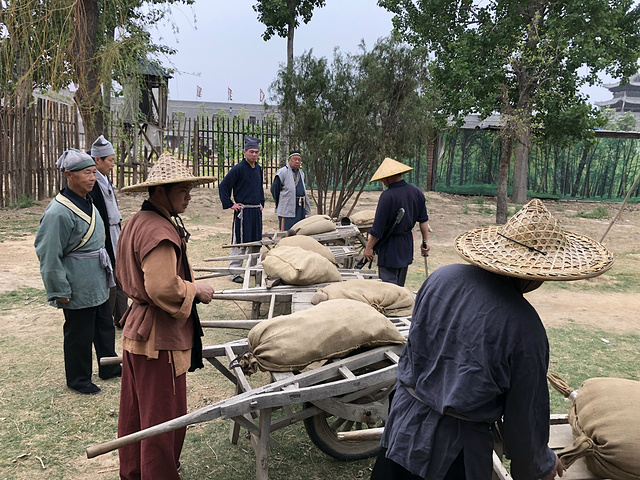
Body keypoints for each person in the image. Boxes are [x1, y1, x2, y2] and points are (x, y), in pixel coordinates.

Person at [370, 199, 615, 480]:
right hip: (453, 454)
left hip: (402, 426)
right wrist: (541, 466)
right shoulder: (525, 327)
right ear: (538, 275)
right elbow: (525, 420)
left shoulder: (441, 278)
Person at [116, 151, 216, 480]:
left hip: (138, 334)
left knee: (136, 415)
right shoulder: (158, 231)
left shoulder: (136, 222)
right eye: (181, 190)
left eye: (189, 189)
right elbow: (161, 287)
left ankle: (133, 473)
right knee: (161, 420)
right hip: (158, 342)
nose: (189, 195)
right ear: (160, 192)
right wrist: (194, 290)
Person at [34, 149, 121, 395]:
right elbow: (49, 253)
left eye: (94, 172)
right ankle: (78, 378)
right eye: (86, 173)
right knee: (79, 332)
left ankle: (109, 366)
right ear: (69, 175)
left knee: (104, 326)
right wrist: (58, 289)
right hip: (77, 281)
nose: (92, 178)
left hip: (97, 277)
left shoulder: (87, 200)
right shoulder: (58, 211)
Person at [364, 157, 430, 286]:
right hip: (406, 245)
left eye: (383, 178)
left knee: (388, 289)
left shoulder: (387, 196)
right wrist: (425, 242)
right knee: (399, 286)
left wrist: (369, 247)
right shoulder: (416, 192)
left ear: (388, 177)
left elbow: (378, 228)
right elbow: (423, 221)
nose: (382, 181)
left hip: (390, 246)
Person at [88, 135, 128, 328]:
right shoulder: (93, 181)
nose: (113, 164)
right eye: (110, 160)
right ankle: (107, 319)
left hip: (114, 231)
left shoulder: (103, 178)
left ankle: (123, 317)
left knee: (120, 273)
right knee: (110, 275)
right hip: (105, 234)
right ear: (98, 160)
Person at [218, 135, 265, 283]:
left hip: (256, 211)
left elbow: (259, 188)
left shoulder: (259, 169)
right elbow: (223, 186)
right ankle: (234, 272)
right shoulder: (238, 169)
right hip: (243, 213)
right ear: (244, 152)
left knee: (255, 242)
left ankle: (251, 269)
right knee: (239, 242)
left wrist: (261, 202)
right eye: (251, 152)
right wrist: (230, 204)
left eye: (256, 152)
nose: (254, 154)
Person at [270, 149, 311, 231]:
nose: (297, 162)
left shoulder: (301, 173)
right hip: (287, 206)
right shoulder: (282, 172)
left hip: (300, 206)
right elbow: (274, 190)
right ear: (289, 160)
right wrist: (281, 202)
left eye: (299, 160)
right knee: (286, 230)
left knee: (298, 229)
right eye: (295, 159)